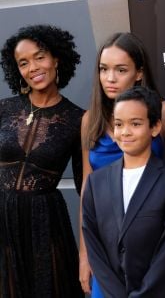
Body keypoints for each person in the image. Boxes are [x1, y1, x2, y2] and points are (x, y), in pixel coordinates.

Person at [79, 32, 165, 296]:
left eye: (120, 70)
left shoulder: (164, 113)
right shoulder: (89, 120)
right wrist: (84, 254)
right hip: (104, 248)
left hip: (152, 245)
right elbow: (86, 186)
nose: (110, 78)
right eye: (104, 69)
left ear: (138, 73)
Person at [0, 25, 84, 297]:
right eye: (23, 63)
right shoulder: (4, 108)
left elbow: (86, 191)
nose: (33, 67)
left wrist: (87, 254)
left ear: (57, 58)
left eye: (40, 57)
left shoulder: (77, 119)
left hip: (45, 222)